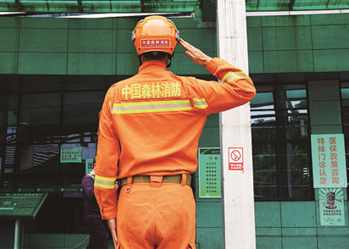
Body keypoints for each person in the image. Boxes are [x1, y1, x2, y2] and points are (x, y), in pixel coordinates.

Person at [93, 16, 256, 249]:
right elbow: (244, 89)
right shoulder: (192, 90)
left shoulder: (115, 95)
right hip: (177, 200)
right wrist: (208, 61)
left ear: (138, 47)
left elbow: (105, 165)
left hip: (132, 200)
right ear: (171, 49)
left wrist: (109, 211)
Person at [81, 165, 108, 249]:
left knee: (94, 242)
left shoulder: (102, 179)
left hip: (102, 215)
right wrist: (105, 187)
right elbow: (90, 194)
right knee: (101, 241)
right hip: (93, 215)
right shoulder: (88, 178)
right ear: (95, 165)